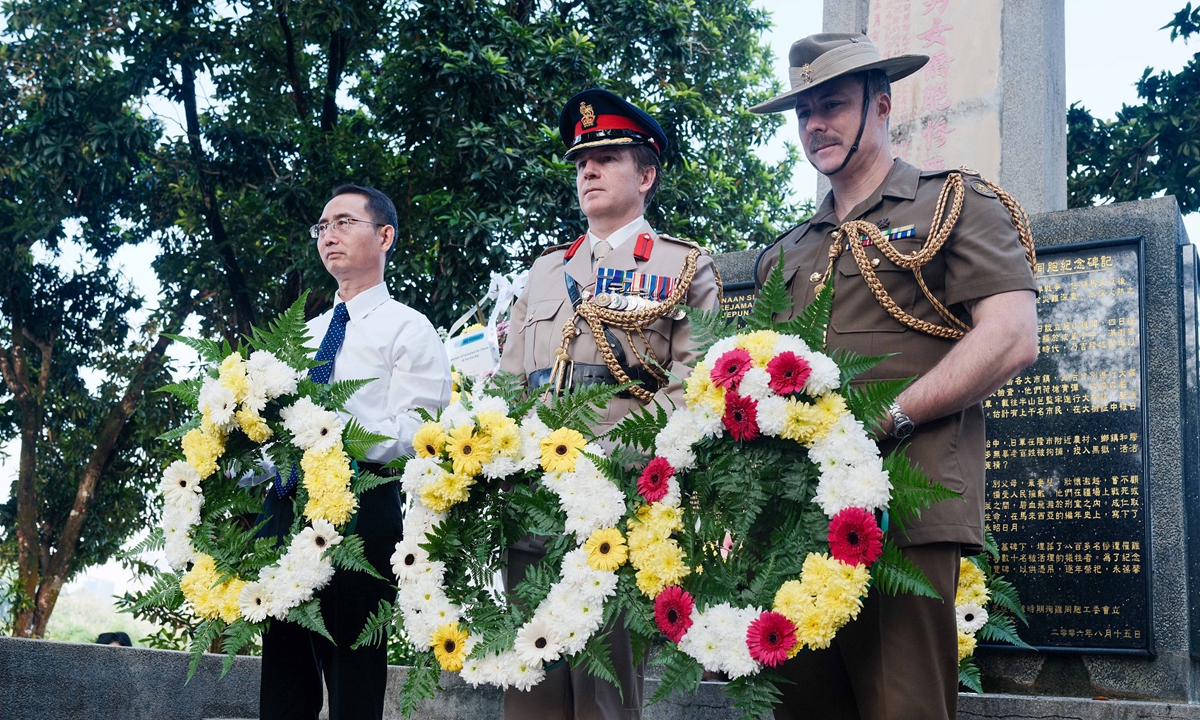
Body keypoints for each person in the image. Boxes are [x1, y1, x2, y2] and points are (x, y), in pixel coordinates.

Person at [750, 34, 1039, 720]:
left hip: (903, 515)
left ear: (881, 107)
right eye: (804, 111)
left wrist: (889, 417)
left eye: (834, 104)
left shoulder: (952, 204)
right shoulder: (788, 251)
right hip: (797, 527)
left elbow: (1012, 336)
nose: (815, 122)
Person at [499, 88, 721, 719]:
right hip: (533, 498)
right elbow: (510, 385)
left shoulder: (683, 267)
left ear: (646, 174)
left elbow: (691, 388)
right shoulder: (543, 273)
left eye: (606, 158)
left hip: (619, 500)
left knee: (604, 694)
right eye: (580, 163)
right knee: (530, 683)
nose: (587, 171)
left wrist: (609, 463)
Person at [258, 185, 453, 720]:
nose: (329, 235)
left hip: (363, 509)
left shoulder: (409, 328)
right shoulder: (306, 335)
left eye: (344, 222)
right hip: (288, 510)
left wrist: (331, 430)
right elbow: (278, 427)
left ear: (385, 236)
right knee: (282, 680)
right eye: (322, 226)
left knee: (354, 683)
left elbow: (419, 432)